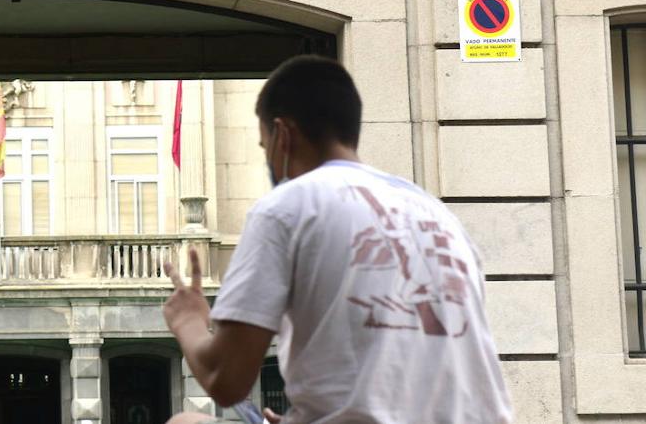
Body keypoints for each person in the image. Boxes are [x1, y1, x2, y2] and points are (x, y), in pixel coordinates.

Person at [161, 55, 512, 424]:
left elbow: (226, 379)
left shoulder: (286, 207)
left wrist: (189, 320)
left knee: (187, 422)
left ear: (282, 135)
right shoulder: (439, 216)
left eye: (265, 147)